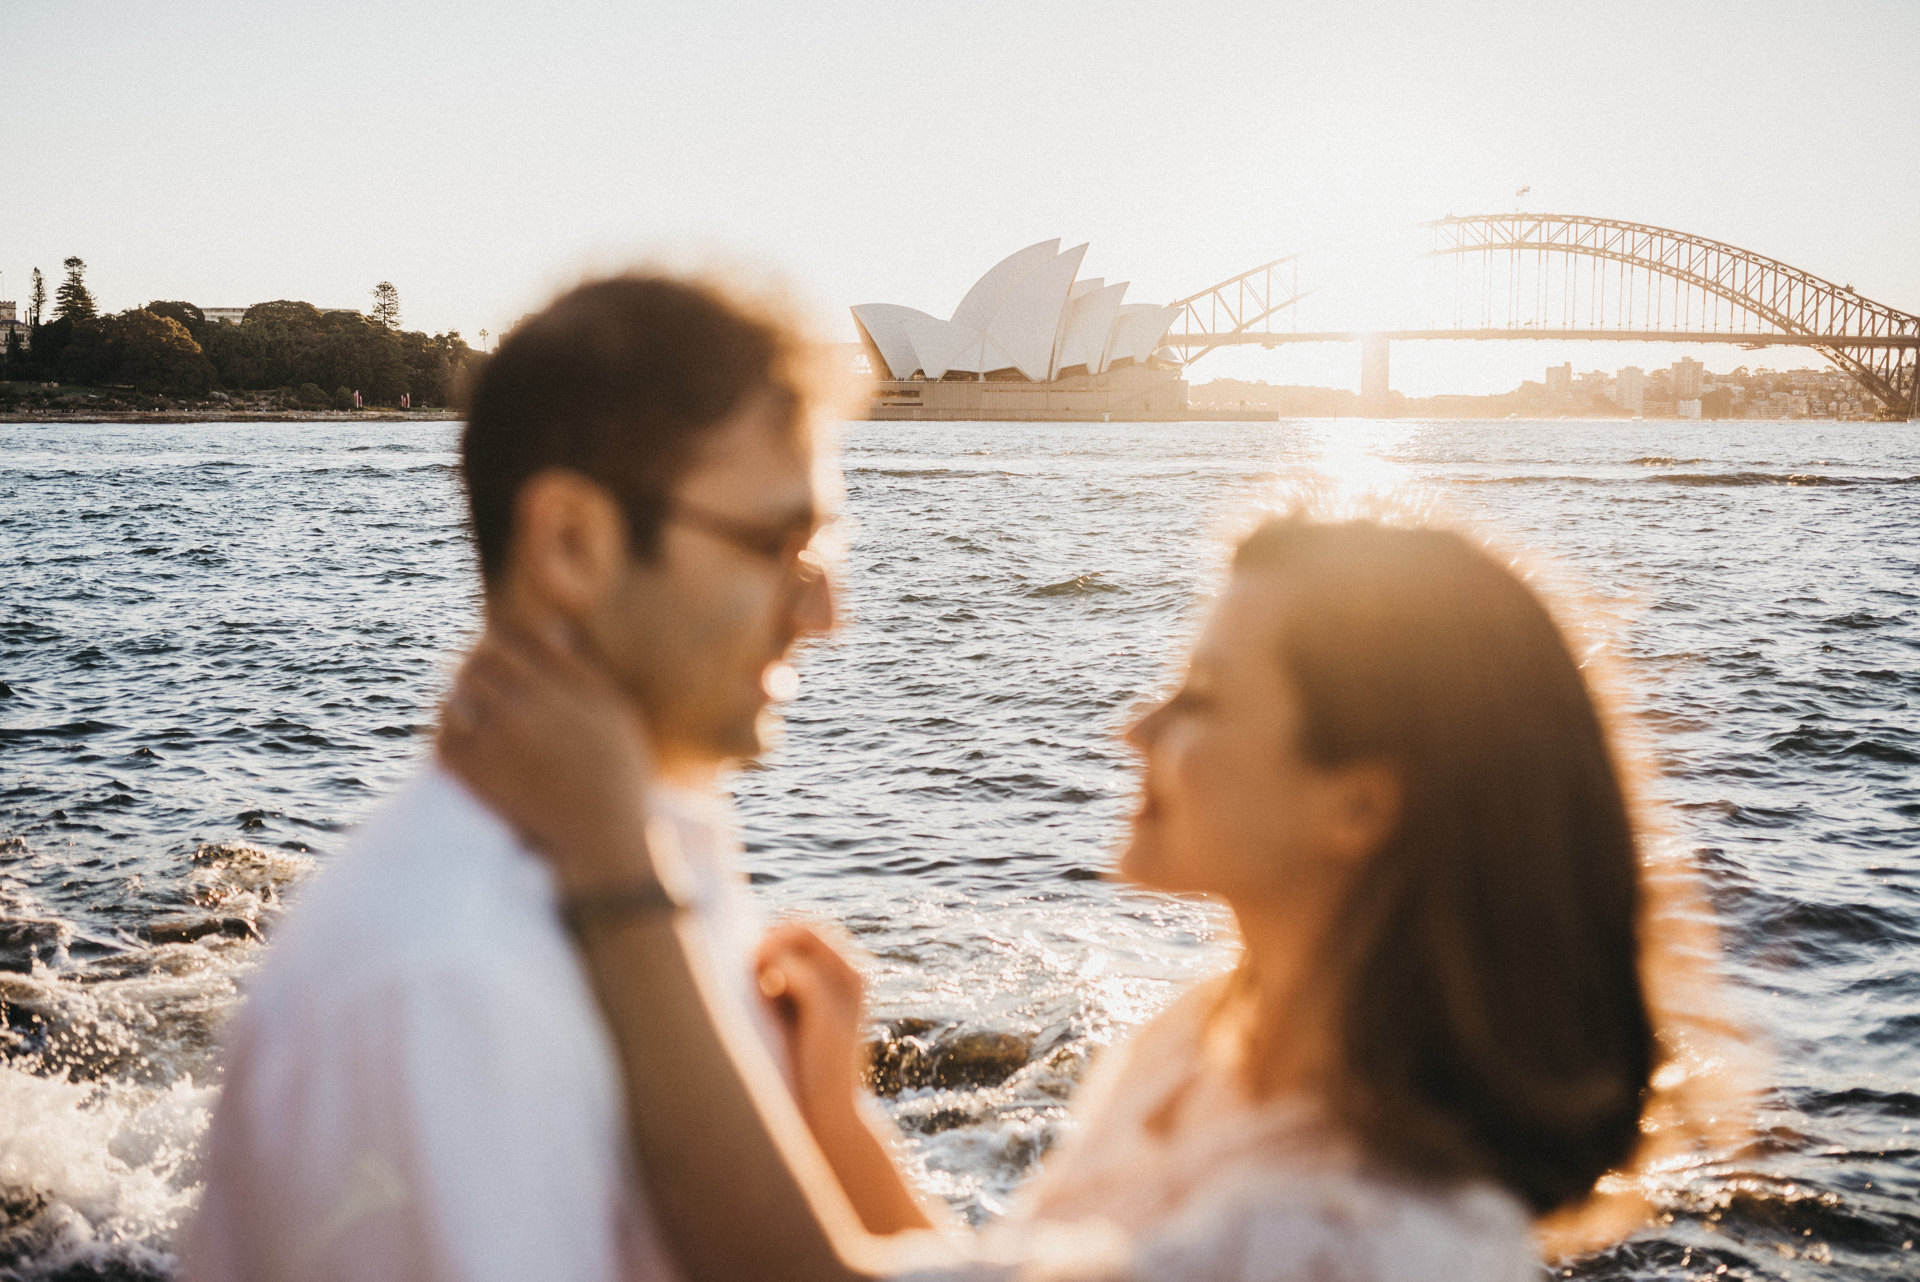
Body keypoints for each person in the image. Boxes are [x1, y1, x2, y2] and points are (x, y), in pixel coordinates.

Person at [438, 510, 1709, 1282]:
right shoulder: (1211, 1038)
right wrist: (837, 1122)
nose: (1135, 725)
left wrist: (613, 863)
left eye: (1204, 694)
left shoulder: (1356, 1237)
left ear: (1362, 805)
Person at [184, 273, 930, 1282]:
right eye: (775, 544)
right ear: (573, 542)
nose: (824, 610)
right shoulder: (445, 984)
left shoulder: (658, 843)